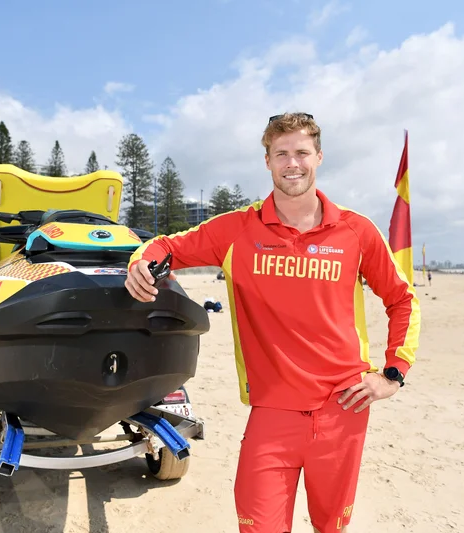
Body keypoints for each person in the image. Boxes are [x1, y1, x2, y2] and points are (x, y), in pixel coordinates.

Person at [124, 112, 420, 532]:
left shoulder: (356, 231)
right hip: (272, 412)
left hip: (343, 409)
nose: (292, 163)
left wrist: (393, 373)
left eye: (302, 152)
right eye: (281, 153)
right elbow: (166, 246)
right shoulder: (238, 230)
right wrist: (142, 263)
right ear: (267, 161)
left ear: (319, 157)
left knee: (330, 527)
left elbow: (402, 299)